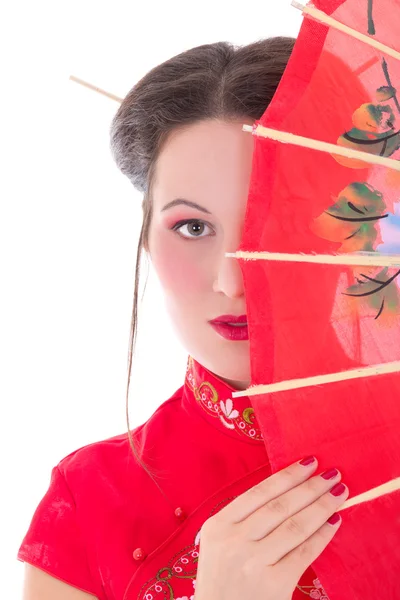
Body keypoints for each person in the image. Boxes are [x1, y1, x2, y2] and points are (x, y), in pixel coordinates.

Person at [18, 37, 349, 600]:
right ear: (147, 238)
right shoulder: (89, 501)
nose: (232, 281)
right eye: (193, 227)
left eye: (275, 221)